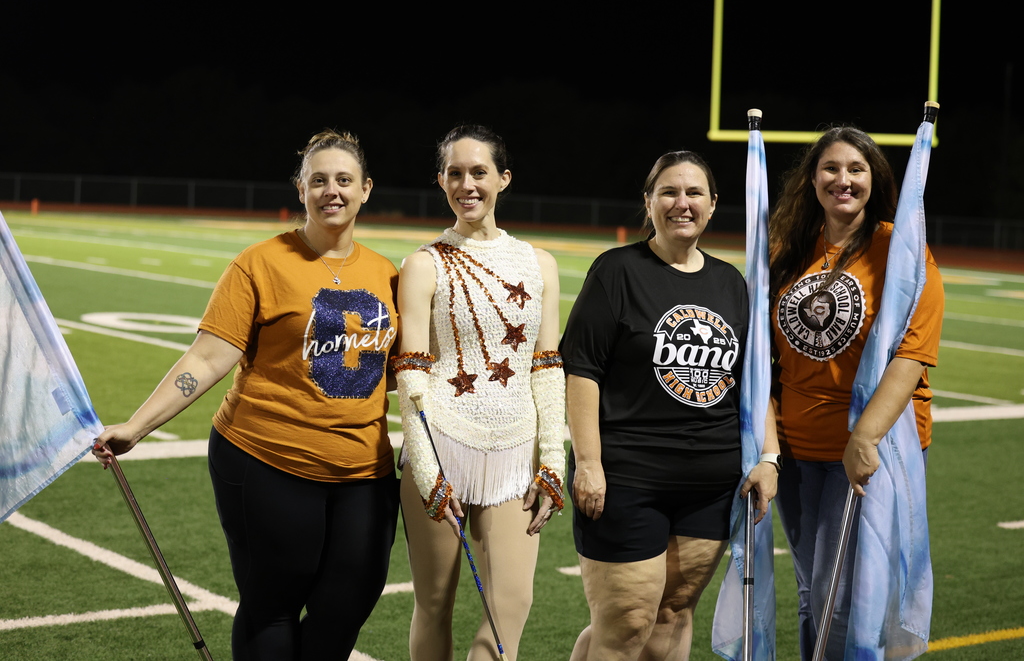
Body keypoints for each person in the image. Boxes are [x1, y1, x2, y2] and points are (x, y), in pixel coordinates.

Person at [94, 130, 401, 660]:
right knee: (273, 604)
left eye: (345, 180)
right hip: (268, 458)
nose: (333, 191)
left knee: (347, 603)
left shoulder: (386, 273)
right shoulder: (259, 263)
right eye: (319, 180)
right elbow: (208, 357)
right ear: (300, 189)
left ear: (366, 189)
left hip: (363, 472)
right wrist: (135, 427)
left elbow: (392, 371)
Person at [560, 150, 780, 661]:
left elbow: (755, 382)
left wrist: (769, 456)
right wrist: (588, 463)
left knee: (673, 616)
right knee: (625, 624)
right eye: (669, 192)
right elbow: (583, 371)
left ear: (713, 204)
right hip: (627, 477)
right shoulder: (616, 272)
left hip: (710, 482)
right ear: (649, 201)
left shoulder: (731, 283)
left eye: (694, 193)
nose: (682, 203)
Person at [768, 127, 944, 660]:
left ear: (875, 180)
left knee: (840, 600)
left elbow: (912, 354)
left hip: (868, 451)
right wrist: (770, 445)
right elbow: (769, 359)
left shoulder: (901, 250)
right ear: (813, 178)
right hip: (799, 452)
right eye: (830, 168)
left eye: (856, 169)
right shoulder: (789, 249)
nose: (842, 179)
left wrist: (863, 438)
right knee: (812, 595)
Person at [393, 124, 565, 661]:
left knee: (509, 610)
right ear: (442, 181)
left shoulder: (540, 264)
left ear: (503, 179)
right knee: (435, 604)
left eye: (479, 172)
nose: (467, 184)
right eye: (455, 173)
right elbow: (412, 375)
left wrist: (554, 459)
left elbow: (546, 366)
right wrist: (427, 472)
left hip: (516, 453)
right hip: (441, 446)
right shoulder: (424, 263)